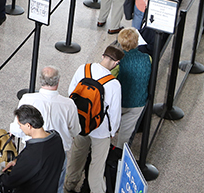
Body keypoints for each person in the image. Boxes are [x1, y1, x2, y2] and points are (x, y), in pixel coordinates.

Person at [9, 66, 80, 193]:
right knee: (56, 185)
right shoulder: (69, 104)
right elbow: (75, 131)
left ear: (40, 81)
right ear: (58, 81)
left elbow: (17, 130)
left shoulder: (27, 99)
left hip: (33, 153)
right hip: (59, 153)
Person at [64, 46, 123, 193]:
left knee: (76, 160)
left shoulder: (83, 69)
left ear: (103, 56)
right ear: (116, 63)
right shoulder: (114, 84)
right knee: (97, 166)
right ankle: (97, 190)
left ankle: (68, 187)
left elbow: (71, 93)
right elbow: (115, 112)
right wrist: (113, 131)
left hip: (81, 124)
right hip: (100, 130)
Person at [0, 105, 66, 193]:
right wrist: (18, 161)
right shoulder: (56, 137)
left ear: (28, 125)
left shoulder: (33, 153)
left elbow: (11, 181)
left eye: (20, 125)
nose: (20, 128)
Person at [113, 28, 151, 147]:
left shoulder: (118, 61)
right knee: (126, 133)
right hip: (138, 102)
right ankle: (120, 153)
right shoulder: (147, 58)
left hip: (120, 101)